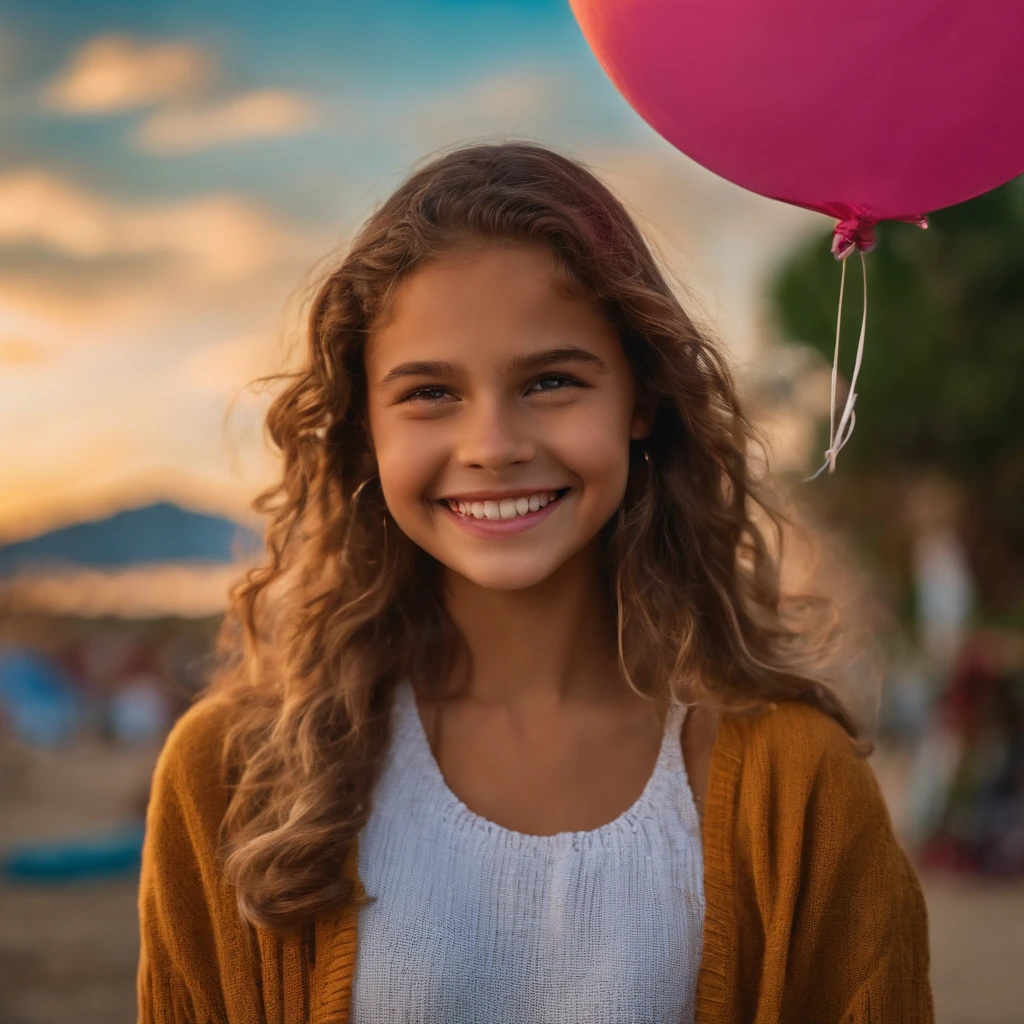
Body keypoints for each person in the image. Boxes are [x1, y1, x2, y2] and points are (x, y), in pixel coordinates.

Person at [137, 143, 933, 1023]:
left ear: (642, 398)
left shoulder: (801, 785)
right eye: (430, 393)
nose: (494, 444)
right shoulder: (231, 777)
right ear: (364, 430)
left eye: (551, 380)